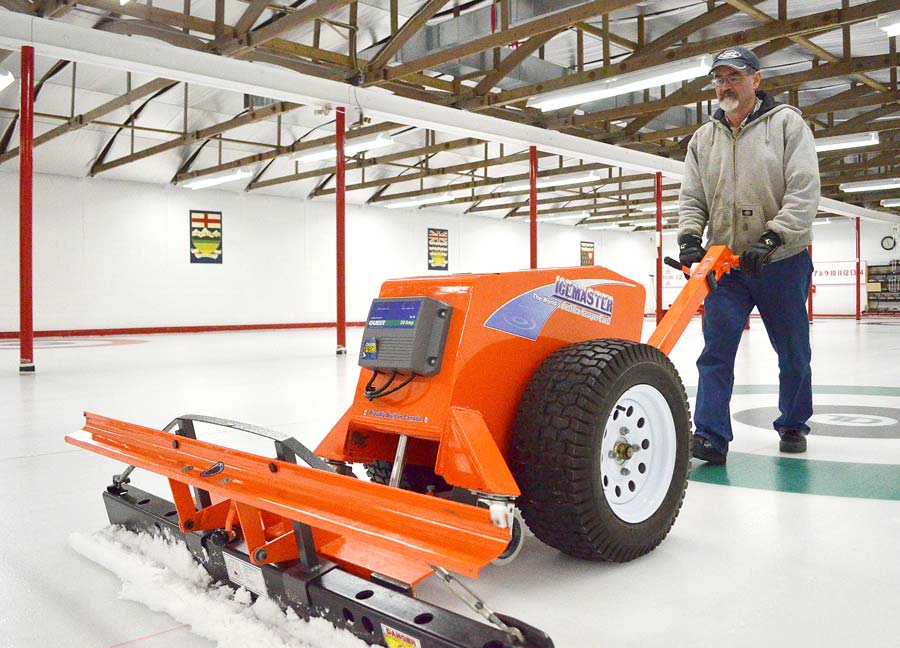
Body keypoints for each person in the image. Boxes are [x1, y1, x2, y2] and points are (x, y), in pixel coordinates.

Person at [677, 47, 819, 465]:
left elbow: (804, 188)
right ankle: (711, 435)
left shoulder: (787, 124)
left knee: (792, 350)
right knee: (715, 352)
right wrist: (689, 238)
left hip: (781, 260)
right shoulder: (704, 139)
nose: (725, 85)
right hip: (727, 266)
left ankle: (793, 422)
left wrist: (775, 237)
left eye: (734, 77)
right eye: (719, 78)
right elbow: (692, 197)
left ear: (756, 80)